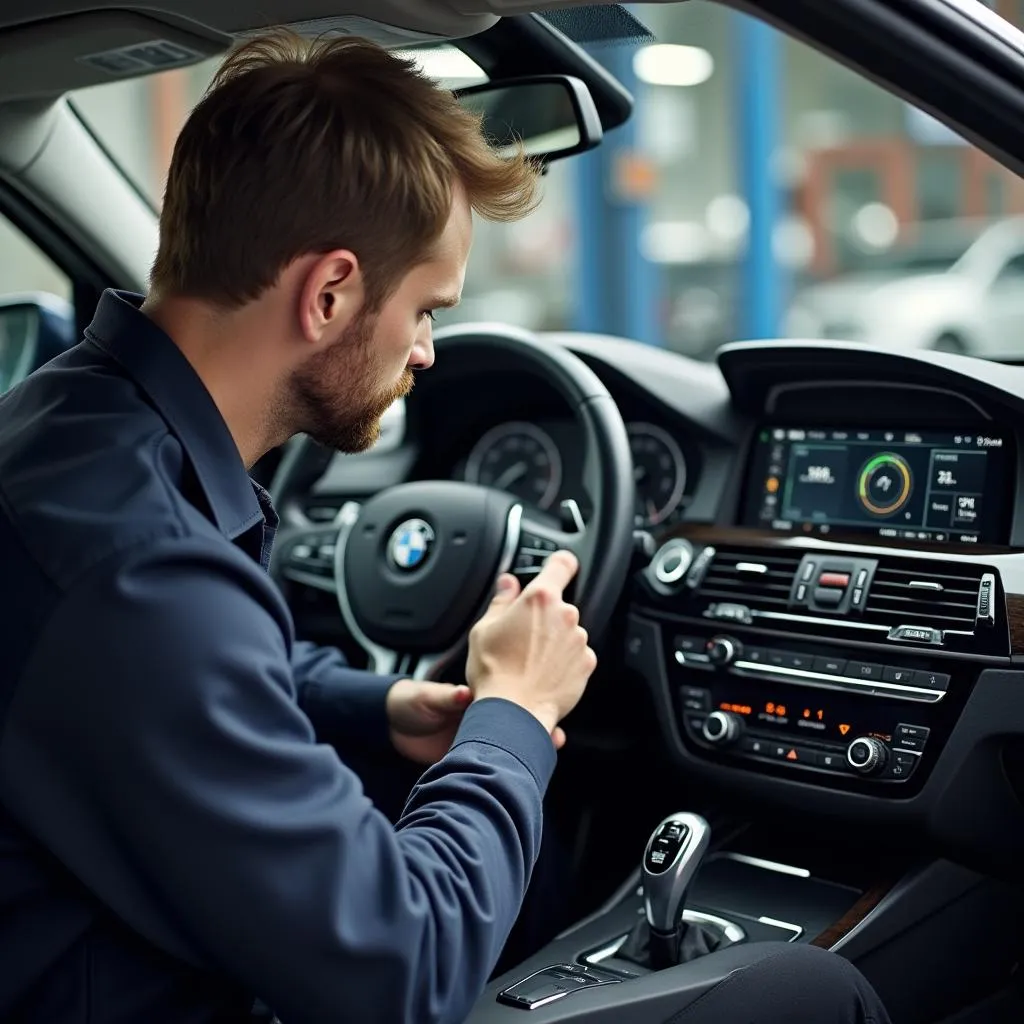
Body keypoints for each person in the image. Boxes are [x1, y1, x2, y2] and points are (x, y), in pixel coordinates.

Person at [0, 29, 889, 1024]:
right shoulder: (137, 572)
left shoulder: (68, 428)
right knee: (813, 991)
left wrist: (378, 706)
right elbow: (405, 972)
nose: (427, 351)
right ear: (328, 292)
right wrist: (513, 709)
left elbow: (191, 677)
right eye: (426, 308)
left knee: (539, 862)